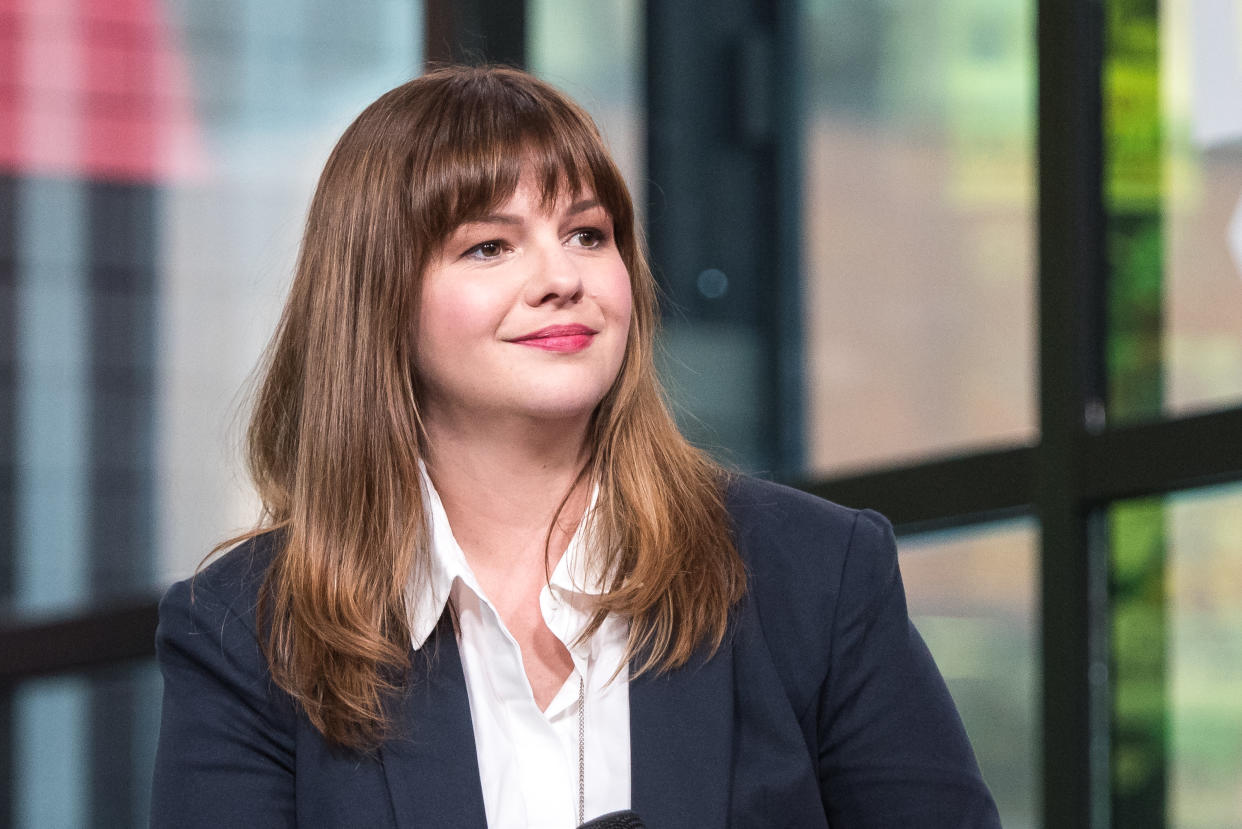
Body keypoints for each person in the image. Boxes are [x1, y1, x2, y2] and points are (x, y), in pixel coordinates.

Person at [150, 65, 1001, 828]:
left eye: (588, 234)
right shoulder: (248, 632)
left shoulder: (812, 572)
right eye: (488, 246)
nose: (563, 278)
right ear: (378, 305)